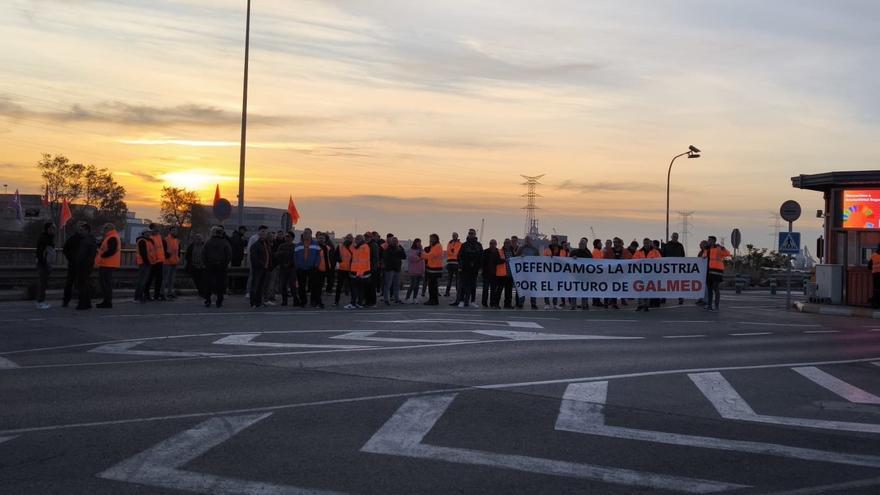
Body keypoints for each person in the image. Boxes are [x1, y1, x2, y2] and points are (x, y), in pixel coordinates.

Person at [203, 226, 232, 308]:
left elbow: (203, 254)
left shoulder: (208, 242)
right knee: (220, 284)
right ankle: (219, 301)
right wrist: (225, 263)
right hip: (221, 266)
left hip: (210, 265)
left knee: (208, 284)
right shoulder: (225, 242)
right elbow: (229, 255)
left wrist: (206, 264)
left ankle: (207, 300)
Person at [94, 223, 121, 308]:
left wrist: (102, 256)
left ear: (109, 228)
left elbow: (111, 250)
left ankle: (107, 302)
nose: (103, 229)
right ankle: (106, 301)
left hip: (107, 264)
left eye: (105, 228)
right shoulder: (111, 236)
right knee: (106, 284)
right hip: (107, 263)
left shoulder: (112, 237)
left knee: (105, 284)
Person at [702, 236, 731, 311]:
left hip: (717, 271)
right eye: (708, 240)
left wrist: (722, 248)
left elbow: (727, 254)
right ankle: (709, 306)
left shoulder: (718, 248)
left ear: (714, 241)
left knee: (716, 288)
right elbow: (703, 257)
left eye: (710, 240)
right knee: (709, 289)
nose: (709, 241)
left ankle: (716, 305)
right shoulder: (706, 249)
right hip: (708, 272)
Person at [633, 237, 662, 311]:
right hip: (641, 274)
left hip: (651, 274)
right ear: (643, 243)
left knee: (648, 289)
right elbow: (634, 260)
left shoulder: (655, 252)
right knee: (640, 290)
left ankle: (646, 305)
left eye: (647, 243)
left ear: (650, 243)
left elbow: (660, 261)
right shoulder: (639, 252)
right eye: (645, 243)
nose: (646, 244)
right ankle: (640, 304)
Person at [456, 229, 483, 308]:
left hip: (474, 268)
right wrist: (461, 265)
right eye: (470, 233)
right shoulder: (464, 245)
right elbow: (460, 256)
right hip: (465, 268)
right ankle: (461, 300)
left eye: (472, 233)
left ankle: (473, 301)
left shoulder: (478, 245)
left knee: (473, 285)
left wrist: (479, 266)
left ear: (475, 235)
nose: (471, 235)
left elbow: (481, 256)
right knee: (464, 285)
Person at [294, 228, 321, 308]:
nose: (306, 235)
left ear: (311, 234)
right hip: (301, 269)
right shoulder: (298, 245)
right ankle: (303, 301)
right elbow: (295, 257)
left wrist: (316, 265)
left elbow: (318, 256)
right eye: (305, 233)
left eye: (308, 233)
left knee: (313, 286)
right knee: (301, 286)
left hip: (312, 268)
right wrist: (297, 266)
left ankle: (313, 301)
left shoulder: (316, 244)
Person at [603, 237, 632, 309]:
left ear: (619, 243)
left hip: (621, 274)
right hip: (611, 273)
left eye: (616, 242)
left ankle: (614, 303)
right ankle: (606, 302)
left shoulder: (625, 251)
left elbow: (631, 259)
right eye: (614, 242)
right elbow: (604, 260)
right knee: (609, 288)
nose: (614, 243)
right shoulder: (609, 251)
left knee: (617, 288)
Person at [74, 223, 97, 310]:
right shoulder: (91, 239)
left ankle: (82, 303)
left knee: (82, 285)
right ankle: (87, 303)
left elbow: (81, 254)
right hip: (88, 264)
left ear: (87, 230)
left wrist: (78, 262)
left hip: (83, 265)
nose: (80, 232)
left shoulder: (86, 241)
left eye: (82, 230)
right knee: (85, 284)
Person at [61, 222, 84, 308]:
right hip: (73, 264)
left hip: (82, 265)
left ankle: (81, 300)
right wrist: (71, 258)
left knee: (81, 283)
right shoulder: (72, 239)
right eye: (80, 228)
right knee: (70, 283)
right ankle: (66, 300)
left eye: (83, 228)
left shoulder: (86, 238)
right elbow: (65, 249)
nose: (81, 230)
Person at [346, 234, 371, 309]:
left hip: (359, 272)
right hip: (358, 272)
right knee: (360, 289)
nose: (355, 240)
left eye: (357, 239)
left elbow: (361, 261)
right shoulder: (360, 246)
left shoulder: (363, 247)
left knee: (356, 289)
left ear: (360, 239)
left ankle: (354, 303)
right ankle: (359, 303)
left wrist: (359, 273)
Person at [542, 236, 568, 309]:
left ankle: (555, 303)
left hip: (558, 273)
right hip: (549, 272)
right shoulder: (547, 250)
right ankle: (547, 303)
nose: (553, 242)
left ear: (557, 241)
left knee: (556, 288)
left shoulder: (562, 250)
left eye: (555, 240)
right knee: (547, 288)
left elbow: (566, 260)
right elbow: (542, 260)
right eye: (552, 240)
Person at [249, 226, 272, 308]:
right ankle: (253, 303)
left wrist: (269, 265)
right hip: (258, 269)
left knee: (261, 286)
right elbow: (254, 258)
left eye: (265, 232)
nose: (264, 233)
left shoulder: (266, 244)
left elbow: (269, 255)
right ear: (259, 233)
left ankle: (258, 302)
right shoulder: (255, 245)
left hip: (265, 269)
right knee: (255, 285)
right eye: (262, 231)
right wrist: (261, 264)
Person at [35, 222, 56, 310]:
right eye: (51, 228)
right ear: (47, 229)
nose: (52, 230)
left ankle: (41, 301)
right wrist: (44, 262)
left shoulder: (49, 238)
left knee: (44, 283)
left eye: (53, 228)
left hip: (46, 263)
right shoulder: (44, 238)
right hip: (43, 263)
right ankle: (40, 302)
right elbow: (40, 252)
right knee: (42, 283)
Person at [568, 238, 592, 310]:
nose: (581, 245)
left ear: (585, 245)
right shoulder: (573, 252)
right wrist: (572, 258)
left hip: (584, 276)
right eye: (580, 244)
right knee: (574, 291)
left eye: (583, 244)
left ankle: (584, 305)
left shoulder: (588, 253)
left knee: (584, 291)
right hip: (575, 275)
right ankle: (573, 305)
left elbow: (591, 263)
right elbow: (568, 261)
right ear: (578, 244)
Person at [143, 223, 166, 301]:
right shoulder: (150, 237)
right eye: (156, 228)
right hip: (153, 261)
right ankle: (146, 294)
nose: (157, 229)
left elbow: (161, 248)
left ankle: (156, 295)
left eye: (158, 228)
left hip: (160, 261)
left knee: (159, 279)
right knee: (150, 278)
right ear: (152, 229)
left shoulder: (159, 236)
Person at [516, 236, 540, 309]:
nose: (527, 241)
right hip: (523, 271)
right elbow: (516, 257)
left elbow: (538, 259)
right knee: (522, 287)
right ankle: (520, 303)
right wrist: (520, 256)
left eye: (528, 240)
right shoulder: (520, 249)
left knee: (532, 288)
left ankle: (533, 303)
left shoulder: (535, 250)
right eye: (526, 240)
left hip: (532, 272)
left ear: (531, 241)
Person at [663, 232, 687, 304]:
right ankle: (663, 297)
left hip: (677, 268)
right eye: (674, 236)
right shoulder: (667, 245)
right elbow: (663, 255)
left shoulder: (680, 245)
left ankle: (680, 298)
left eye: (676, 237)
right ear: (671, 237)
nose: (675, 238)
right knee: (666, 283)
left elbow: (683, 256)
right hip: (668, 268)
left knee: (678, 283)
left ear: (678, 237)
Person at [274, 231, 297, 306]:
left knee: (292, 285)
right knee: (283, 285)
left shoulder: (295, 246)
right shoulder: (281, 246)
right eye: (286, 236)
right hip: (283, 268)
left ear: (292, 238)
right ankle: (284, 301)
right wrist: (282, 254)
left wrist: (290, 263)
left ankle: (295, 300)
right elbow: (276, 255)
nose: (287, 238)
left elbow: (296, 257)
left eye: (289, 236)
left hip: (292, 268)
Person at [382, 236, 406, 305]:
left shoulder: (400, 248)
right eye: (394, 241)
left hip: (397, 268)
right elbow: (385, 258)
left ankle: (397, 299)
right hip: (389, 269)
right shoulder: (388, 249)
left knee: (397, 285)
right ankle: (386, 299)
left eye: (396, 241)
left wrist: (400, 250)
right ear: (391, 242)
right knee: (388, 285)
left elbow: (404, 256)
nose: (395, 242)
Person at [422, 234, 444, 305]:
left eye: (432, 238)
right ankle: (433, 299)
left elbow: (431, 255)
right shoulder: (435, 246)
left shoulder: (437, 246)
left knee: (432, 285)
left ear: (435, 239)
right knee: (432, 285)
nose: (430, 240)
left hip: (434, 269)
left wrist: (422, 255)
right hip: (433, 268)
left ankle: (433, 300)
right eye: (430, 238)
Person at [184, 233, 207, 299]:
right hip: (194, 266)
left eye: (199, 239)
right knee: (197, 280)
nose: (198, 240)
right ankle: (201, 292)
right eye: (196, 239)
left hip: (202, 266)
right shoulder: (191, 247)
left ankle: (203, 292)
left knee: (202, 280)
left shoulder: (204, 246)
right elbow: (187, 256)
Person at [161, 225, 181, 300]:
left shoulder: (177, 240)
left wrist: (178, 258)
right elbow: (163, 250)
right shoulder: (166, 239)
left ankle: (169, 293)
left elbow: (178, 251)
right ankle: (162, 293)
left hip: (174, 262)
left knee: (171, 279)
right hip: (167, 262)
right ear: (170, 231)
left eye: (176, 231)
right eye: (173, 230)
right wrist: (167, 256)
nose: (175, 232)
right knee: (165, 279)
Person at [133, 229, 154, 303]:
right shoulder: (142, 241)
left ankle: (140, 296)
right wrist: (148, 262)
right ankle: (138, 296)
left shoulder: (148, 241)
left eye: (149, 233)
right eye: (147, 232)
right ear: (144, 233)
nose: (149, 234)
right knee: (142, 280)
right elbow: (143, 253)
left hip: (147, 262)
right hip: (144, 263)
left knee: (143, 280)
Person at [334, 234, 353, 306]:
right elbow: (335, 256)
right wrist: (340, 261)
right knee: (339, 286)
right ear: (345, 238)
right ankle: (336, 301)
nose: (349, 239)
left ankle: (352, 301)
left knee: (352, 287)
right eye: (348, 238)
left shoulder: (354, 247)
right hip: (342, 269)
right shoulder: (340, 246)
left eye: (350, 238)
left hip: (351, 269)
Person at [481, 239, 500, 308]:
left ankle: (492, 303)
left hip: (495, 274)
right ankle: (484, 302)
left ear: (496, 244)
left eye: (493, 243)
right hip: (486, 273)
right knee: (485, 289)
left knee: (493, 290)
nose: (492, 245)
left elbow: (499, 261)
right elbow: (482, 262)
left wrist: (503, 261)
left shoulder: (498, 252)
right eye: (491, 243)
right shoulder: (485, 251)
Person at [405, 238, 424, 303]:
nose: (419, 244)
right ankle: (407, 298)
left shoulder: (421, 250)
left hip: (419, 270)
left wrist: (421, 250)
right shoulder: (411, 250)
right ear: (415, 243)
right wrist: (420, 257)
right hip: (413, 270)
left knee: (417, 286)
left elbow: (424, 256)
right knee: (412, 285)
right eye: (418, 242)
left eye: (420, 242)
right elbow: (412, 258)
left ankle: (414, 298)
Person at [445, 232, 461, 298]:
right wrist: (454, 253)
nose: (454, 236)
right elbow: (448, 252)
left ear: (457, 236)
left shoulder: (460, 244)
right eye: (453, 235)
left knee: (458, 279)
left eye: (455, 235)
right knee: (449, 279)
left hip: (457, 263)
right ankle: (447, 292)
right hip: (450, 263)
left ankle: (458, 292)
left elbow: (459, 252)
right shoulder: (449, 243)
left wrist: (453, 252)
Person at [695, 240, 710, 306]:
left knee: (705, 286)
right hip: (701, 271)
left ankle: (705, 300)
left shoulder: (707, 251)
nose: (699, 246)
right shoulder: (701, 252)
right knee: (700, 286)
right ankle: (700, 298)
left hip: (706, 271)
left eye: (701, 244)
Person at [870, 244, 880, 309]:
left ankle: (875, 304)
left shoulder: (873, 255)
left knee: (876, 289)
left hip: (875, 275)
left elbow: (869, 266)